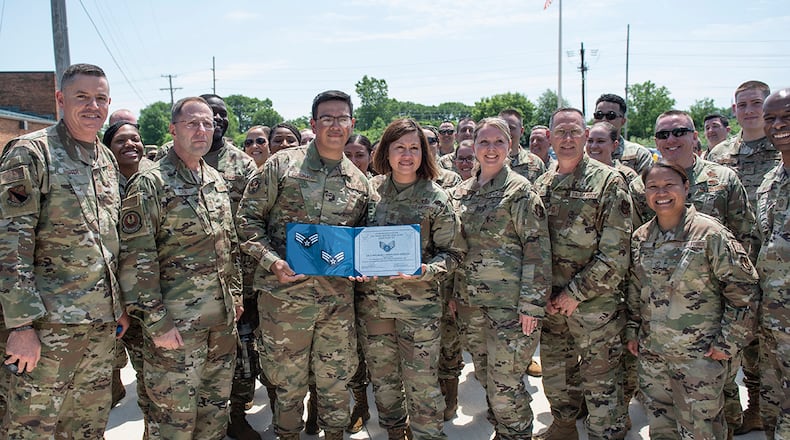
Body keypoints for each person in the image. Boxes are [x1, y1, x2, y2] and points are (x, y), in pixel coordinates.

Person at [0, 63, 129, 438]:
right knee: (30, 428)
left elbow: (107, 241)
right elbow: (10, 242)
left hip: (99, 328)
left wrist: (116, 304)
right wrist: (21, 325)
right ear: (60, 99)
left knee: (87, 427)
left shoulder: (104, 159)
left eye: (101, 98)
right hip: (45, 332)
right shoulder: (31, 153)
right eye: (82, 97)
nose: (93, 106)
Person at [236, 90, 372, 440]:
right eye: (326, 118)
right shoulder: (282, 166)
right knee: (287, 385)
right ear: (313, 123)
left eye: (342, 118)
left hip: (335, 306)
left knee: (334, 384)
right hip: (284, 302)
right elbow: (246, 221)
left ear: (352, 124)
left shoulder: (360, 183)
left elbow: (363, 242)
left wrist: (363, 264)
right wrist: (273, 261)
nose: (335, 125)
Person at [118, 96, 243, 439]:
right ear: (173, 130)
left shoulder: (215, 179)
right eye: (192, 123)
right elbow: (136, 259)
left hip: (220, 325)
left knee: (214, 416)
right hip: (175, 329)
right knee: (172, 422)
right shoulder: (150, 183)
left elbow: (229, 246)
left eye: (207, 123)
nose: (202, 130)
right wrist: (157, 322)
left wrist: (235, 297)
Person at [627, 160, 758, 439]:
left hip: (699, 358)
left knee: (702, 430)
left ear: (686, 187)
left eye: (669, 185)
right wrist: (633, 332)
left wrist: (728, 343)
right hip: (654, 357)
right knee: (661, 429)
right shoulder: (641, 238)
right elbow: (636, 290)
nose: (661, 193)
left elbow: (743, 290)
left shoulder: (710, 234)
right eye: (653, 187)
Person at [356, 118, 465, 440]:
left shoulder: (436, 197)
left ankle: (428, 434)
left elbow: (454, 253)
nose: (407, 155)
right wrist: (354, 267)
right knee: (384, 381)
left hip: (420, 310)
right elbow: (351, 241)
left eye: (414, 148)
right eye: (399, 147)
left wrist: (426, 271)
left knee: (422, 383)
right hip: (375, 306)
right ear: (385, 152)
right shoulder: (369, 192)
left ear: (424, 154)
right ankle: (393, 432)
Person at [533, 108, 632, 440]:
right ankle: (563, 426)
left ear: (587, 135)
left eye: (574, 131)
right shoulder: (541, 184)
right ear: (549, 138)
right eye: (560, 132)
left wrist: (574, 293)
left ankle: (607, 433)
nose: (567, 138)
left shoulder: (608, 181)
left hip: (593, 304)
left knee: (600, 380)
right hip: (550, 305)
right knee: (557, 375)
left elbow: (616, 253)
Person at [449, 117, 550, 439]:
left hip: (510, 309)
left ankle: (516, 433)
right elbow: (454, 249)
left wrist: (532, 306)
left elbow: (537, 250)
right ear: (474, 146)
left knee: (505, 382)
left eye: (498, 142)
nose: (490, 149)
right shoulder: (461, 192)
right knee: (485, 375)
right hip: (470, 305)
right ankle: (503, 428)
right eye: (484, 142)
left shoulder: (520, 192)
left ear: (510, 146)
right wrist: (453, 294)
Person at [103, 121, 155, 420]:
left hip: (151, 294)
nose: (130, 145)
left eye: (135, 138)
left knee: (153, 376)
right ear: (109, 148)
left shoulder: (155, 180)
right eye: (121, 140)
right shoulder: (100, 183)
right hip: (112, 296)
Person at [755, 88, 790, 439]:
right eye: (771, 119)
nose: (778, 125)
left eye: (786, 116)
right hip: (772, 325)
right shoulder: (769, 184)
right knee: (772, 414)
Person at [342, 131, 374, 434]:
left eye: (359, 155)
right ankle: (359, 405)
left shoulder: (378, 190)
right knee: (350, 351)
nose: (353, 161)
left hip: (373, 287)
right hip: (338, 286)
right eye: (347, 155)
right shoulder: (337, 188)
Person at [593, 93, 654, 174]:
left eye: (611, 115)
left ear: (623, 121)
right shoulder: (582, 153)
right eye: (599, 115)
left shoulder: (639, 154)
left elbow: (647, 185)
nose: (604, 120)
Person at [499, 109, 546, 184]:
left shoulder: (536, 163)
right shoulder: (488, 160)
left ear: (521, 131)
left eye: (511, 128)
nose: (506, 132)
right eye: (502, 128)